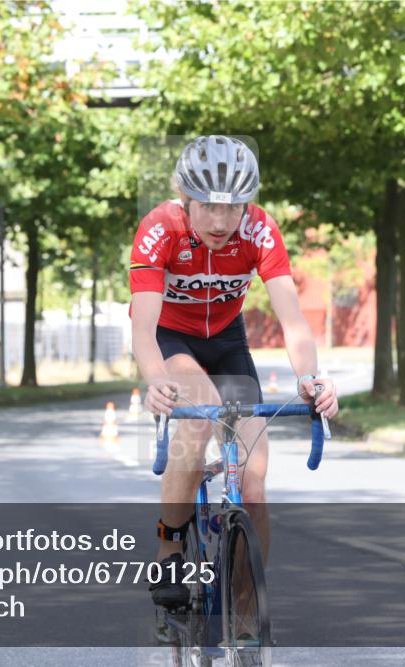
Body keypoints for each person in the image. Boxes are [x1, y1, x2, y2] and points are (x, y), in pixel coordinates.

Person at [129, 135, 339, 608]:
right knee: (200, 412)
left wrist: (311, 377)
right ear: (186, 200)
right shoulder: (160, 228)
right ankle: (169, 547)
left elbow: (293, 319)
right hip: (172, 342)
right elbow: (142, 326)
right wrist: (155, 379)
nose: (222, 222)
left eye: (235, 208)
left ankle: (246, 612)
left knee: (254, 479)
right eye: (208, 208)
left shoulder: (260, 230)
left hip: (228, 343)